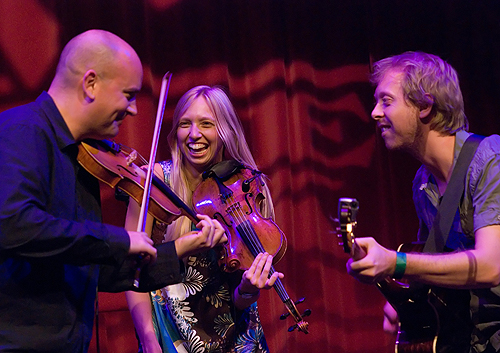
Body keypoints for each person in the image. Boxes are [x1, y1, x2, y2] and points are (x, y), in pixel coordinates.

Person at [0, 30, 225, 352]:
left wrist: (180, 249)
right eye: (128, 94)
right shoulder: (22, 132)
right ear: (90, 84)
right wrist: (119, 240)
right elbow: (11, 224)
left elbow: (92, 268)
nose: (133, 109)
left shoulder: (83, 154)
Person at [346, 51, 500, 352]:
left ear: (425, 106)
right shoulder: (422, 182)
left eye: (386, 101)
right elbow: (432, 267)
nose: (375, 112)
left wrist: (395, 262)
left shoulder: (489, 158)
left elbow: (491, 265)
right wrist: (404, 303)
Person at [125, 85, 284, 353]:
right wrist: (148, 338)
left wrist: (248, 289)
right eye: (185, 124)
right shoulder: (154, 181)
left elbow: (241, 300)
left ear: (225, 132)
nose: (194, 134)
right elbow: (131, 270)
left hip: (235, 338)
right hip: (170, 335)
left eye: (206, 124)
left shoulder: (248, 188)